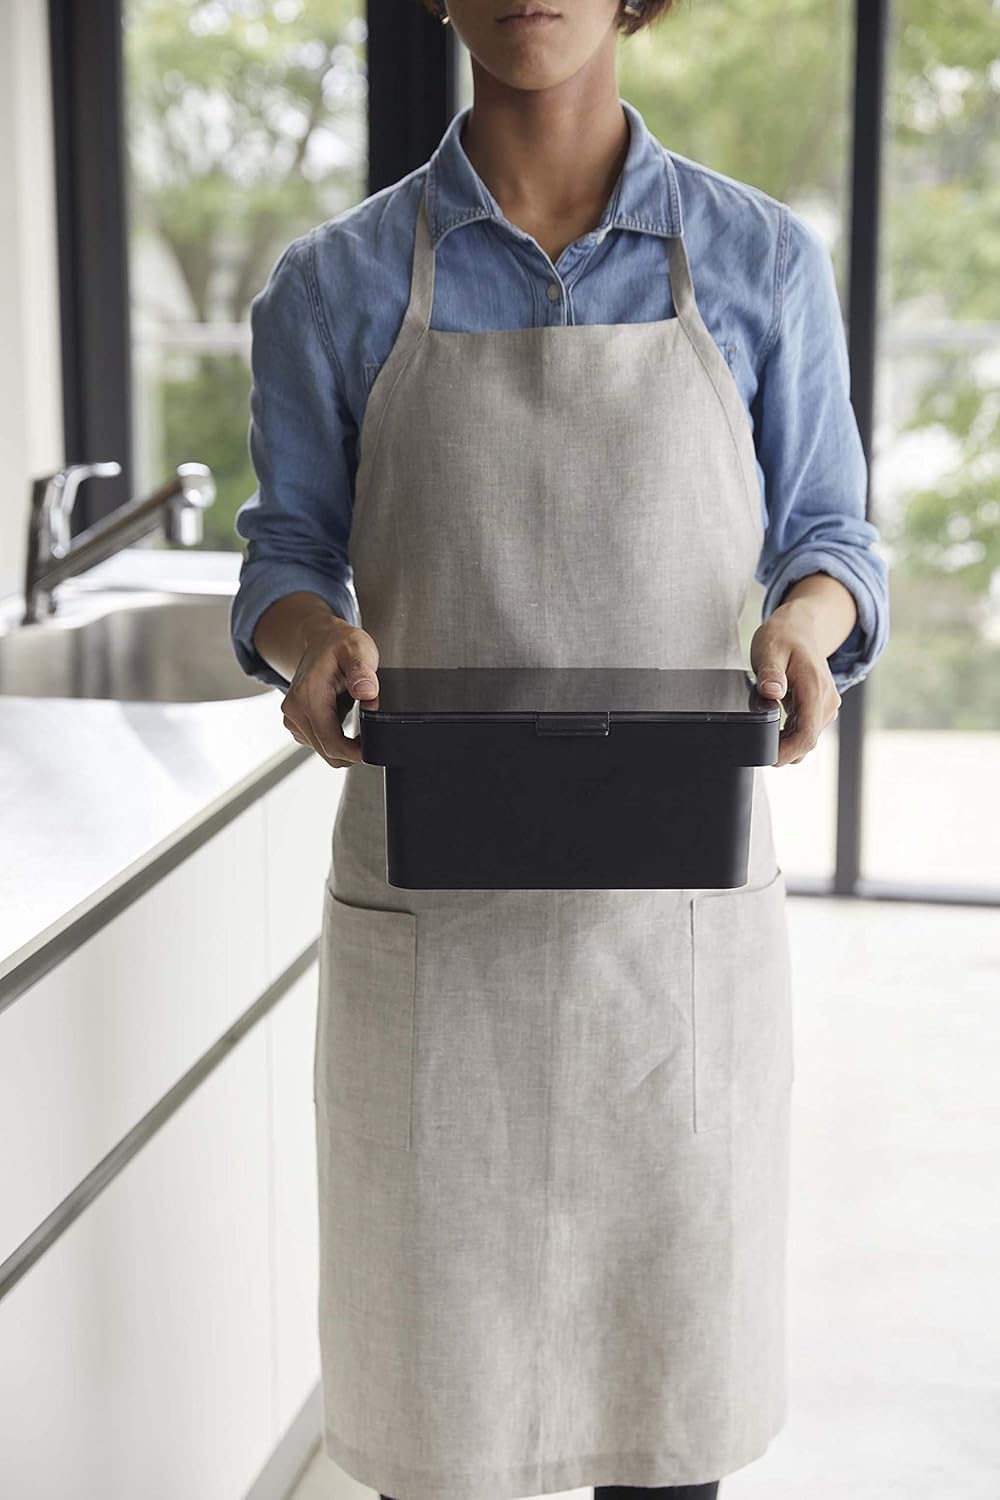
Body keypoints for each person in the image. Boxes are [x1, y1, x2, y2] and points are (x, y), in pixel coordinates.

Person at [229, 2, 890, 1497]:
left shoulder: (759, 259)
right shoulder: (331, 284)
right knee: (438, 1434)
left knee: (667, 1434)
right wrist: (306, 644)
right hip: (437, 941)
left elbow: (833, 535)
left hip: (671, 948)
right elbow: (284, 557)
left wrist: (804, 619)